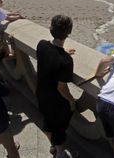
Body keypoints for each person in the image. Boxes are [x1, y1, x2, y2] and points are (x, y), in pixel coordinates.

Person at [36, 15, 76, 158]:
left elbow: (50, 56)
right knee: (59, 128)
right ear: (68, 33)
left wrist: (63, 52)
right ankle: (60, 154)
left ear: (51, 29)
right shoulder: (66, 61)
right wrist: (71, 100)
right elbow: (62, 88)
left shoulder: (41, 45)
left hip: (41, 93)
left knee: (47, 122)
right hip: (56, 100)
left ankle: (53, 146)